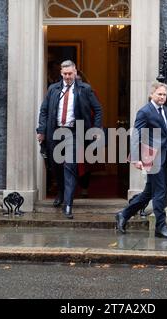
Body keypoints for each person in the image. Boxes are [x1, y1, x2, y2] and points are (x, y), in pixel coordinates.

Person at [116, 82, 167, 239]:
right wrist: (136, 158)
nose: (162, 97)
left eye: (164, 95)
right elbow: (136, 135)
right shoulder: (144, 111)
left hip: (164, 156)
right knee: (160, 192)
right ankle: (161, 227)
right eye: (159, 94)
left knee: (148, 193)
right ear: (152, 94)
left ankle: (123, 214)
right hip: (151, 158)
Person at [37, 60, 103, 219]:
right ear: (61, 73)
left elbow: (98, 109)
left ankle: (68, 204)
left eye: (70, 74)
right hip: (55, 132)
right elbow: (44, 111)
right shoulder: (53, 89)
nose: (67, 76)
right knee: (56, 166)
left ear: (75, 73)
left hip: (74, 133)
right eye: (65, 74)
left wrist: (95, 128)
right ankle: (61, 192)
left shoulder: (85, 89)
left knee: (70, 166)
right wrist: (41, 130)